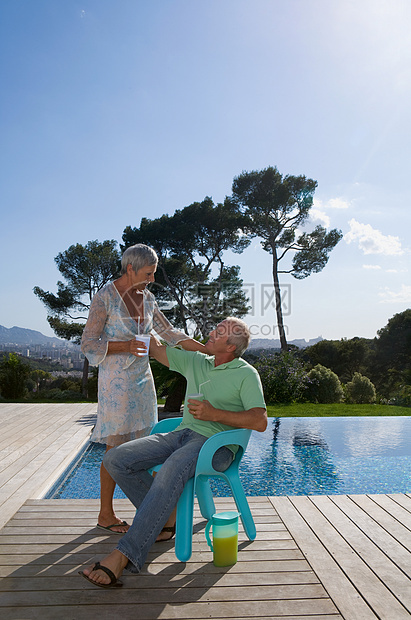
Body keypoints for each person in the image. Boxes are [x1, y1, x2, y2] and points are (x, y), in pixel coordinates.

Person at [79, 317, 267, 588]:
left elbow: (259, 421)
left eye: (219, 332)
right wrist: (145, 315)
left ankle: (123, 556)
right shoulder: (198, 361)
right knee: (115, 459)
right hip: (182, 434)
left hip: (216, 445)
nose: (211, 332)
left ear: (230, 346)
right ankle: (167, 518)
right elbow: (155, 349)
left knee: (170, 469)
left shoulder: (246, 373)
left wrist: (215, 414)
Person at [81, 244, 205, 534]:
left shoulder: (148, 299)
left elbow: (169, 333)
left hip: (142, 381)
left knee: (145, 446)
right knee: (116, 447)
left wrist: (206, 350)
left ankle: (151, 512)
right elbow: (88, 344)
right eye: (147, 274)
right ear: (130, 269)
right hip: (116, 385)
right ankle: (106, 514)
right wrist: (125, 346)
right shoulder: (105, 298)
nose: (151, 279)